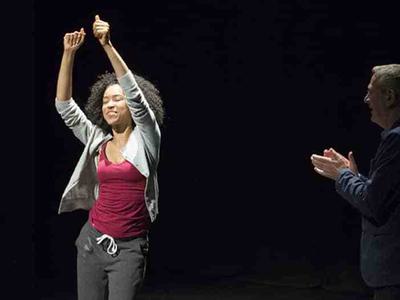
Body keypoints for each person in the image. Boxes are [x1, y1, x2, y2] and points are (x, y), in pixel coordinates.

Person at [55, 14, 164, 300]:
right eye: (105, 101)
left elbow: (138, 101)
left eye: (118, 99)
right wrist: (68, 54)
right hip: (92, 243)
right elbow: (65, 107)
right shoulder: (97, 141)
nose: (110, 104)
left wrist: (107, 46)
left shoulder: (147, 140)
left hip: (129, 250)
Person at [310, 64, 400, 300]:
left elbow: (373, 204)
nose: (365, 98)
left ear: (389, 96)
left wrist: (342, 174)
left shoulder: (396, 140)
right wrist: (353, 176)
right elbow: (386, 195)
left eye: (371, 91)